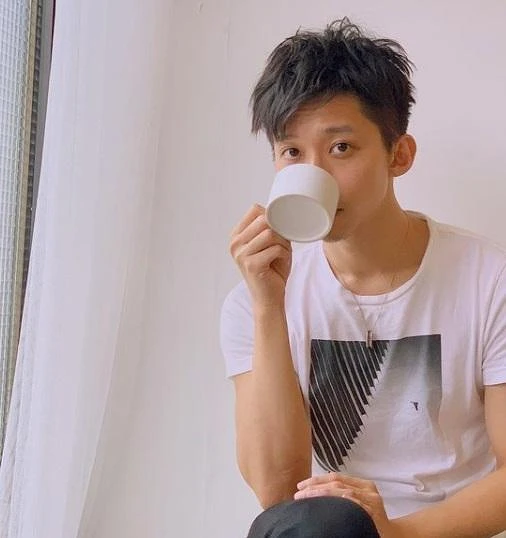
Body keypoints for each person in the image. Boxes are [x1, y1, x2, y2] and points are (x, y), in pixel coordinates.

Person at [220, 18, 506, 538]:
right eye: (292, 152)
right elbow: (277, 493)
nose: (316, 174)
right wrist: (268, 309)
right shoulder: (254, 301)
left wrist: (396, 533)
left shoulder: (489, 280)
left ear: (399, 155)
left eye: (341, 148)